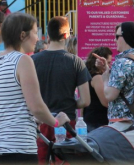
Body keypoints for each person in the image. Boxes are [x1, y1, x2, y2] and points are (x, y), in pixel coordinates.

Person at [0, 12, 70, 163]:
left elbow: (6, 103)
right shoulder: (23, 60)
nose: (37, 38)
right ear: (23, 35)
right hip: (17, 149)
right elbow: (36, 106)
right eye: (35, 32)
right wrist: (56, 121)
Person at [32, 16, 91, 162]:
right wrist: (70, 102)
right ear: (66, 35)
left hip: (40, 122)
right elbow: (85, 100)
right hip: (66, 122)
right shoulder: (76, 62)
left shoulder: (33, 60)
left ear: (48, 34)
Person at [95, 22, 134, 122]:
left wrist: (105, 79)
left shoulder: (121, 63)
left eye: (117, 36)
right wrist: (107, 69)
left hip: (122, 124)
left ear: (126, 37)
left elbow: (110, 95)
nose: (115, 40)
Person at [85, 47, 113, 132]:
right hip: (97, 122)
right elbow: (105, 102)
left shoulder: (89, 75)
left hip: (91, 120)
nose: (109, 65)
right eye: (108, 62)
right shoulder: (98, 77)